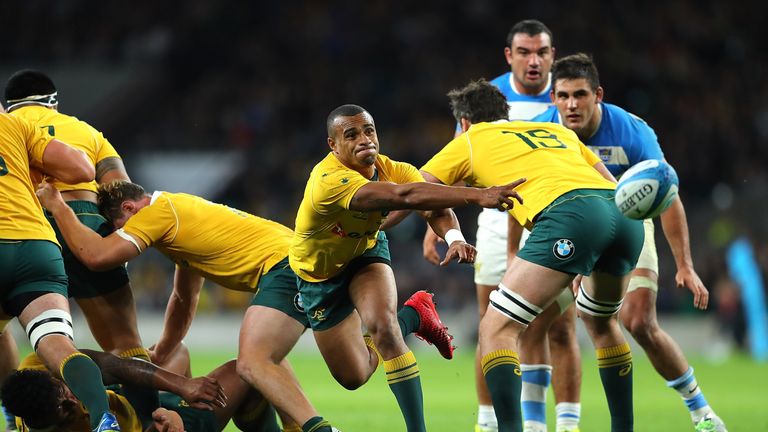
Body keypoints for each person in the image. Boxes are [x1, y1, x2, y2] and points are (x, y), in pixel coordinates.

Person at [36, 179, 455, 432]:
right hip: (304, 263)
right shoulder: (180, 217)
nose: (125, 237)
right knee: (355, 371)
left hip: (286, 268)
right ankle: (414, 313)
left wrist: (57, 206)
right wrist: (164, 347)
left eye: (119, 228)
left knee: (255, 360)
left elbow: (96, 256)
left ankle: (313, 427)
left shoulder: (157, 212)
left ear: (129, 209)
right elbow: (185, 298)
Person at [421, 80, 644, 432]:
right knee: (602, 324)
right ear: (505, 115)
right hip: (624, 218)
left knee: (496, 329)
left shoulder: (470, 139)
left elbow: (418, 189)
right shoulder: (556, 131)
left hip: (572, 217)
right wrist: (593, 250)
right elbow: (613, 186)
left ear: (464, 122)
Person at [289, 103, 525, 432]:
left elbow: (433, 204)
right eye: (351, 134)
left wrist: (454, 236)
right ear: (333, 145)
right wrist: (477, 195)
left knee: (383, 329)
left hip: (365, 255)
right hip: (318, 276)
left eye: (369, 131)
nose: (364, 139)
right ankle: (414, 316)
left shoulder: (393, 168)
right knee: (353, 376)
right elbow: (407, 195)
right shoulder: (328, 181)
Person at [531, 53, 728, 432]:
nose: (571, 104)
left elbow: (667, 195)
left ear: (598, 95)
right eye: (563, 95)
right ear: (552, 98)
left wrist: (684, 264)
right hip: (570, 229)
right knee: (548, 320)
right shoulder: (543, 134)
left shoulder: (631, 132)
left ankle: (701, 411)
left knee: (638, 321)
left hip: (629, 226)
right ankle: (554, 423)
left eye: (581, 95)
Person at [422, 19, 582, 432]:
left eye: (542, 52)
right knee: (492, 320)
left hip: (553, 212)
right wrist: (434, 226)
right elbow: (455, 162)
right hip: (496, 219)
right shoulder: (487, 99)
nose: (534, 61)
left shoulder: (565, 98)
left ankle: (562, 425)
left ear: (553, 54)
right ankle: (488, 422)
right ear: (509, 55)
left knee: (560, 325)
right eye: (525, 52)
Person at [3, 70, 145, 360]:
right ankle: (142, 406)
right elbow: (121, 194)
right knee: (125, 344)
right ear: (53, 103)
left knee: (36, 342)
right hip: (87, 223)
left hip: (30, 230)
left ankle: (15, 402)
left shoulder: (9, 127)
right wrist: (114, 242)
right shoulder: (87, 132)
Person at [0, 111, 121, 431]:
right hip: (35, 246)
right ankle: (103, 418)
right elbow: (81, 168)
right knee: (57, 345)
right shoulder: (14, 125)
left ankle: (12, 419)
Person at [1, 346, 280, 431]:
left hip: (138, 405)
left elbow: (112, 364)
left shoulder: (38, 364)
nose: (75, 400)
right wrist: (156, 423)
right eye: (65, 408)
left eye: (65, 388)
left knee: (175, 352)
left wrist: (182, 386)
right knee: (243, 372)